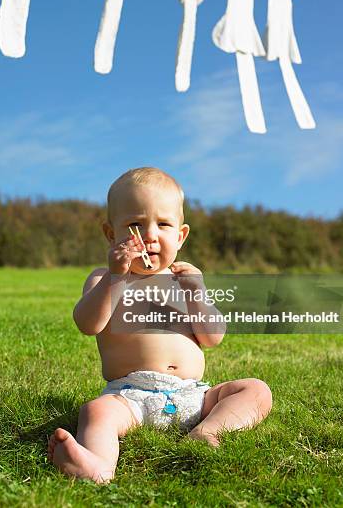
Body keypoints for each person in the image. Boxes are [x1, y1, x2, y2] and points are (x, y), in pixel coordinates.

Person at [48, 167, 272, 483]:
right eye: (135, 225)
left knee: (255, 390)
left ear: (180, 236)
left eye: (163, 224)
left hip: (193, 395)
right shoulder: (104, 279)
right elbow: (88, 324)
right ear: (111, 235)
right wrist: (116, 277)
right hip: (129, 396)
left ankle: (207, 432)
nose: (150, 235)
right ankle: (96, 465)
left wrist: (197, 293)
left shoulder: (184, 282)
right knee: (96, 413)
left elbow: (213, 337)